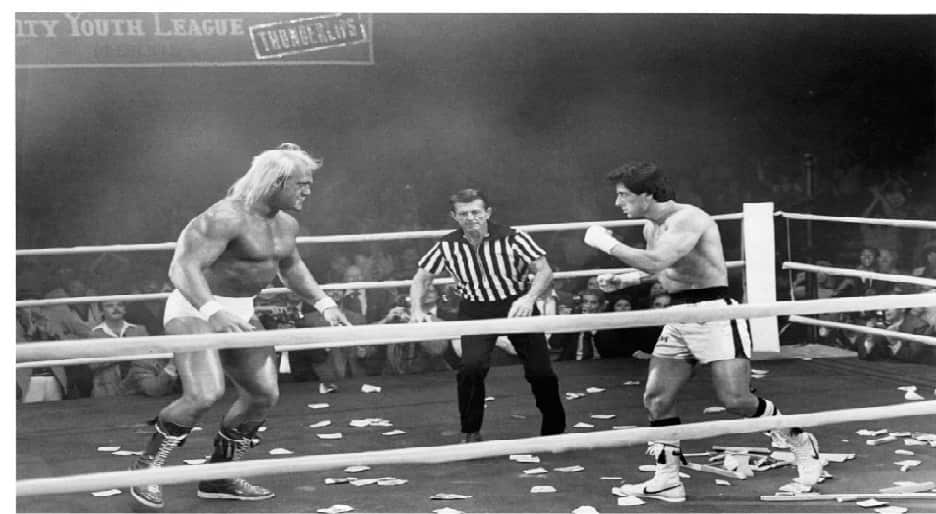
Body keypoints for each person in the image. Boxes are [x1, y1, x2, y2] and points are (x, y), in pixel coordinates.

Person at [584, 161, 823, 502]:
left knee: (736, 399)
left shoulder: (688, 218)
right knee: (657, 398)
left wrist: (605, 244)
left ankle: (800, 440)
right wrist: (628, 279)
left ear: (646, 194)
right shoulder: (652, 227)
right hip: (679, 313)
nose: (617, 203)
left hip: (714, 313)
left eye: (623, 195)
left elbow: (655, 261)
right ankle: (667, 478)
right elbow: (668, 268)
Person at [129, 143, 350, 510]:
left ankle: (218, 474)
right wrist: (212, 310)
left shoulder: (286, 224)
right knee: (203, 394)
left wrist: (324, 304)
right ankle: (146, 469)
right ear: (275, 182)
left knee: (263, 395)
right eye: (302, 183)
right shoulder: (225, 217)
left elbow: (291, 266)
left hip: (240, 312)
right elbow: (182, 267)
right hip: (194, 308)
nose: (308, 191)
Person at [409, 188, 566, 443]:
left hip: (515, 305)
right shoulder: (447, 245)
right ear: (454, 216)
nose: (471, 218)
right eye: (464, 213)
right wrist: (416, 308)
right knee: (470, 368)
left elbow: (544, 271)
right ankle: (470, 431)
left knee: (541, 371)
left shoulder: (513, 238)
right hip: (475, 309)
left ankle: (555, 429)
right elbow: (421, 278)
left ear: (487, 213)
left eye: (476, 212)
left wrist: (529, 298)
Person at [89, 300, 149, 398]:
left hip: (140, 388)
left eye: (120, 305)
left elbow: (152, 358)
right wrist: (123, 353)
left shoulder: (139, 330)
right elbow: (92, 365)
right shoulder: (94, 334)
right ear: (101, 311)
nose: (116, 309)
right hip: (107, 391)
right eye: (109, 306)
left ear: (125, 309)